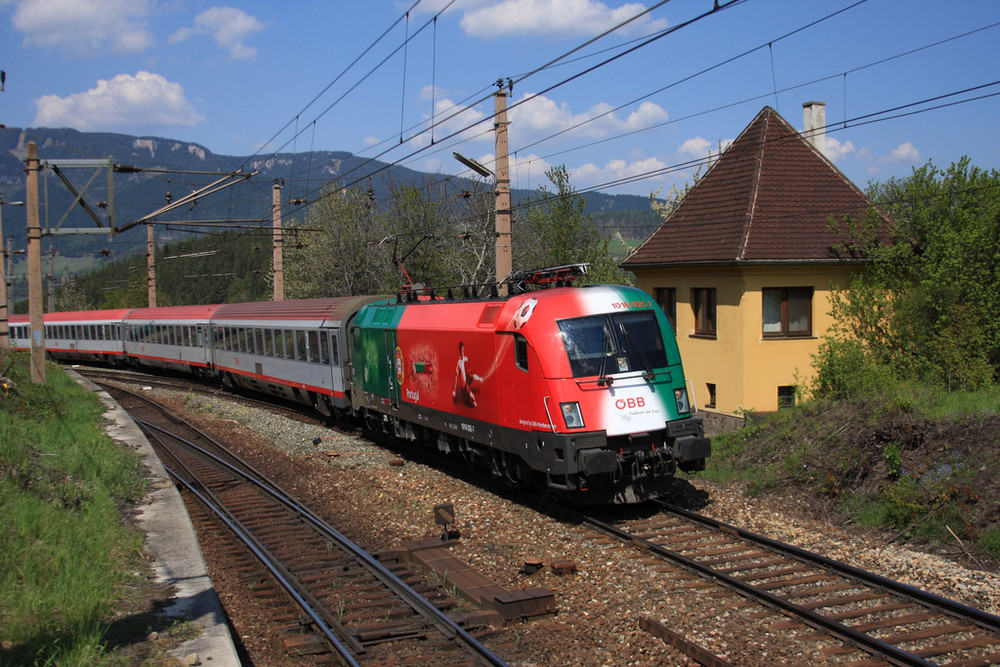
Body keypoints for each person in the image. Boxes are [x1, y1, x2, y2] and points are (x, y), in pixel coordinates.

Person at [452, 341, 482, 407]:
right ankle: (472, 402)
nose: (463, 353)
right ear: (459, 352)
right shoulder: (459, 363)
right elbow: (456, 379)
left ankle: (479, 379)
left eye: (463, 351)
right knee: (472, 398)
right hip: (465, 386)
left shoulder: (464, 359)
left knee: (474, 376)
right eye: (461, 351)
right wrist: (454, 391)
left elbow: (468, 359)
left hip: (467, 379)